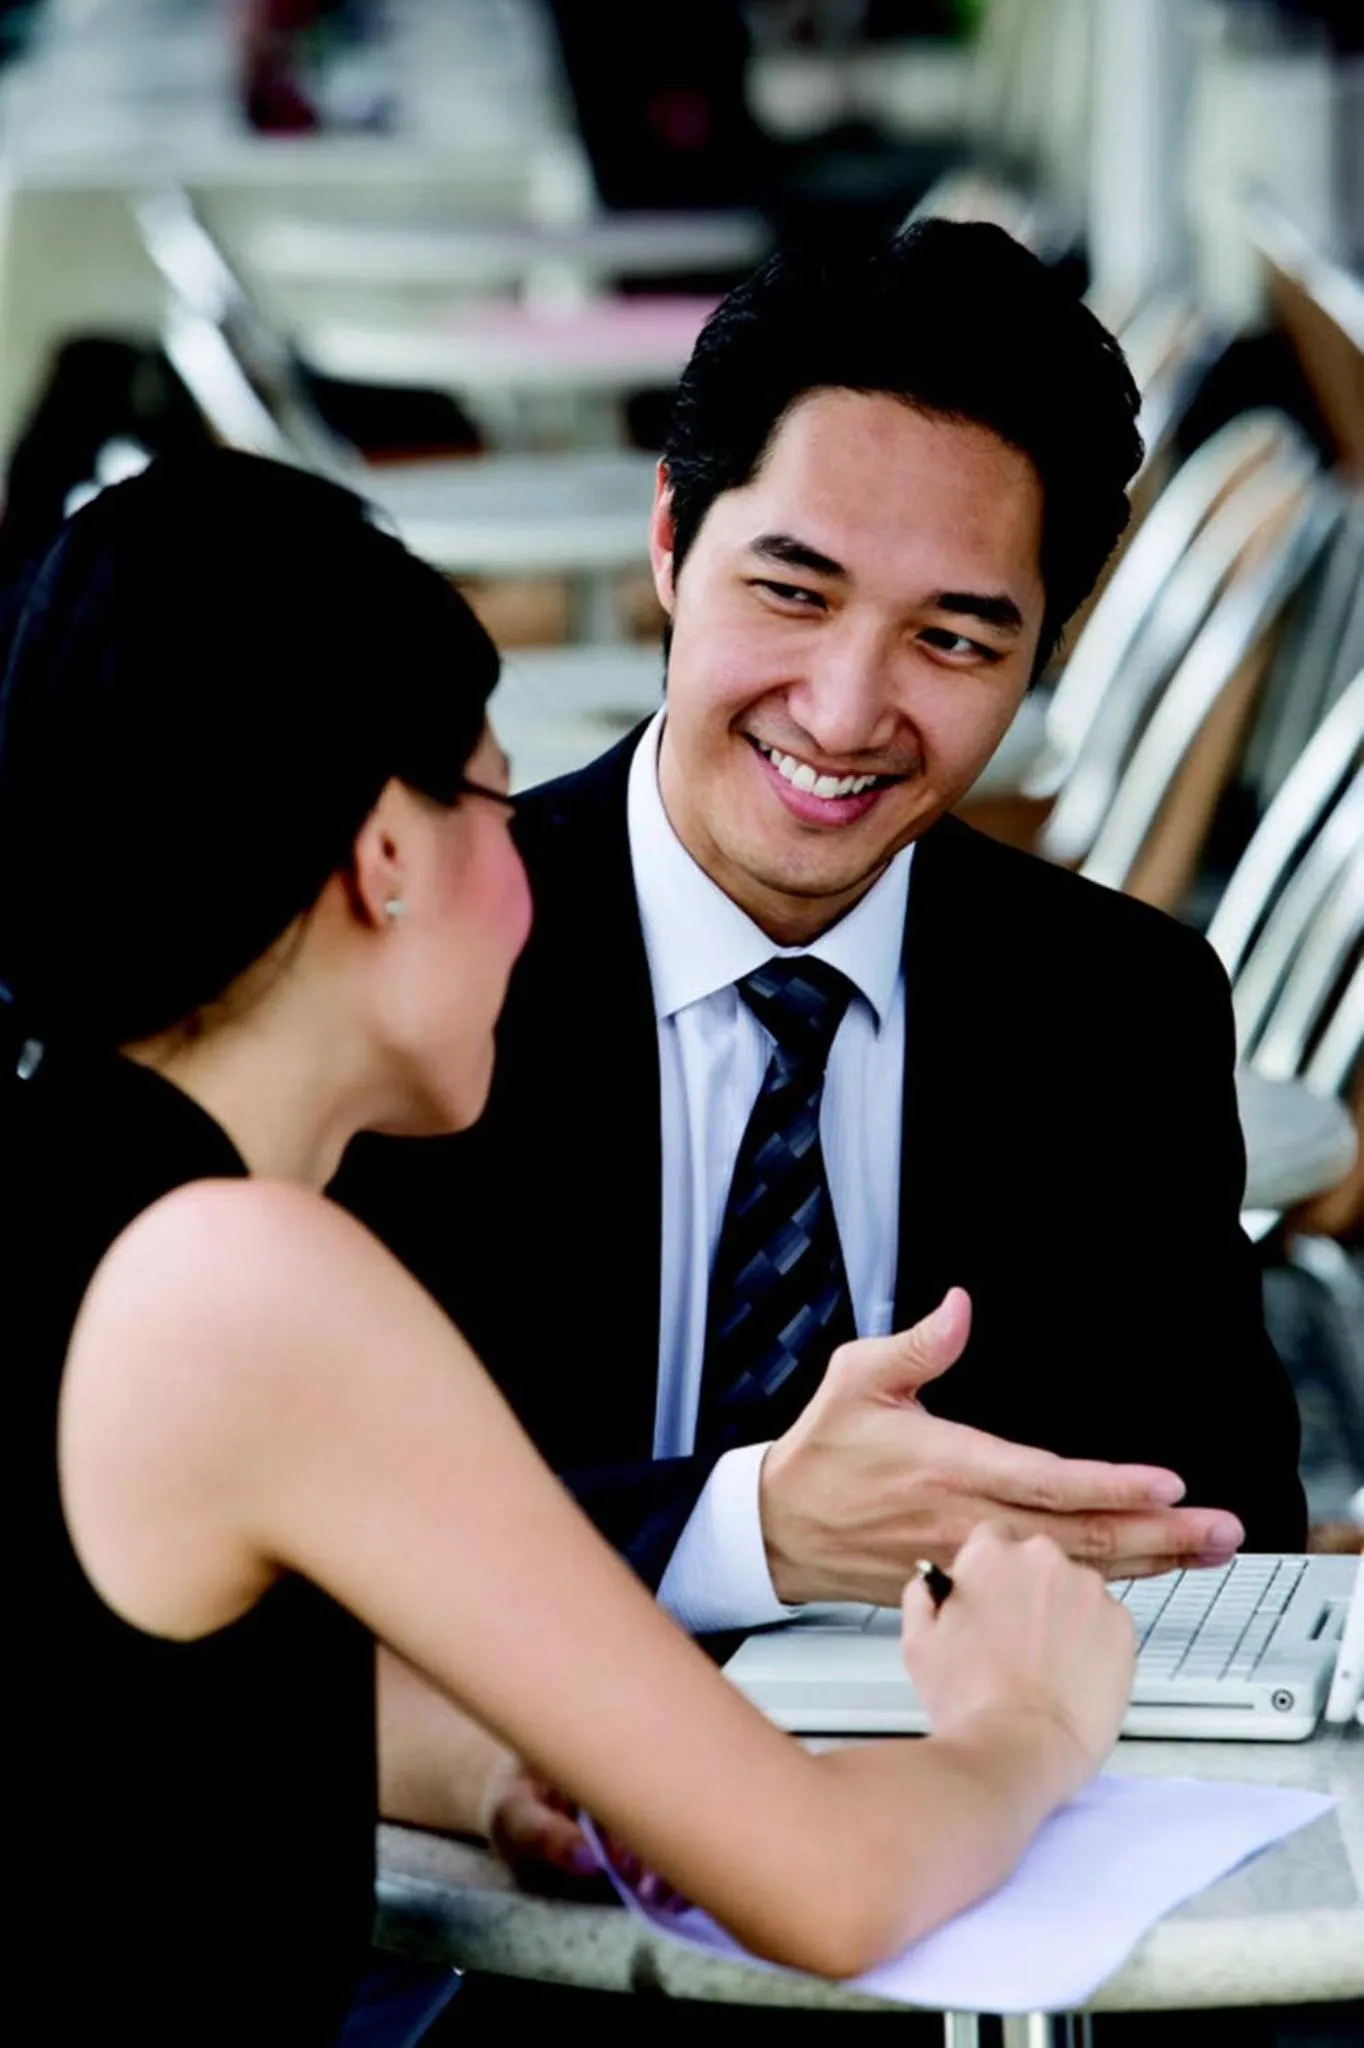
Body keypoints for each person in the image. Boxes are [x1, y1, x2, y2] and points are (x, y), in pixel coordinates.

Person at [2, 450, 1134, 2045]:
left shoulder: (83, 1194)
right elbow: (829, 1888)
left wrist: (489, 1770)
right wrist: (1021, 1724)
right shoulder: (249, 1286)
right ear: (384, 856)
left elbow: (185, 1697)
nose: (532, 875)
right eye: (490, 795)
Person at [335, 220, 1307, 1642]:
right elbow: (305, 1506)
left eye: (955, 640)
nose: (845, 714)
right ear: (670, 537)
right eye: (793, 593)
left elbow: (1212, 1524)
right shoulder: (412, 944)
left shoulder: (1119, 1006)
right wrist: (751, 1532)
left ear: (1043, 656)